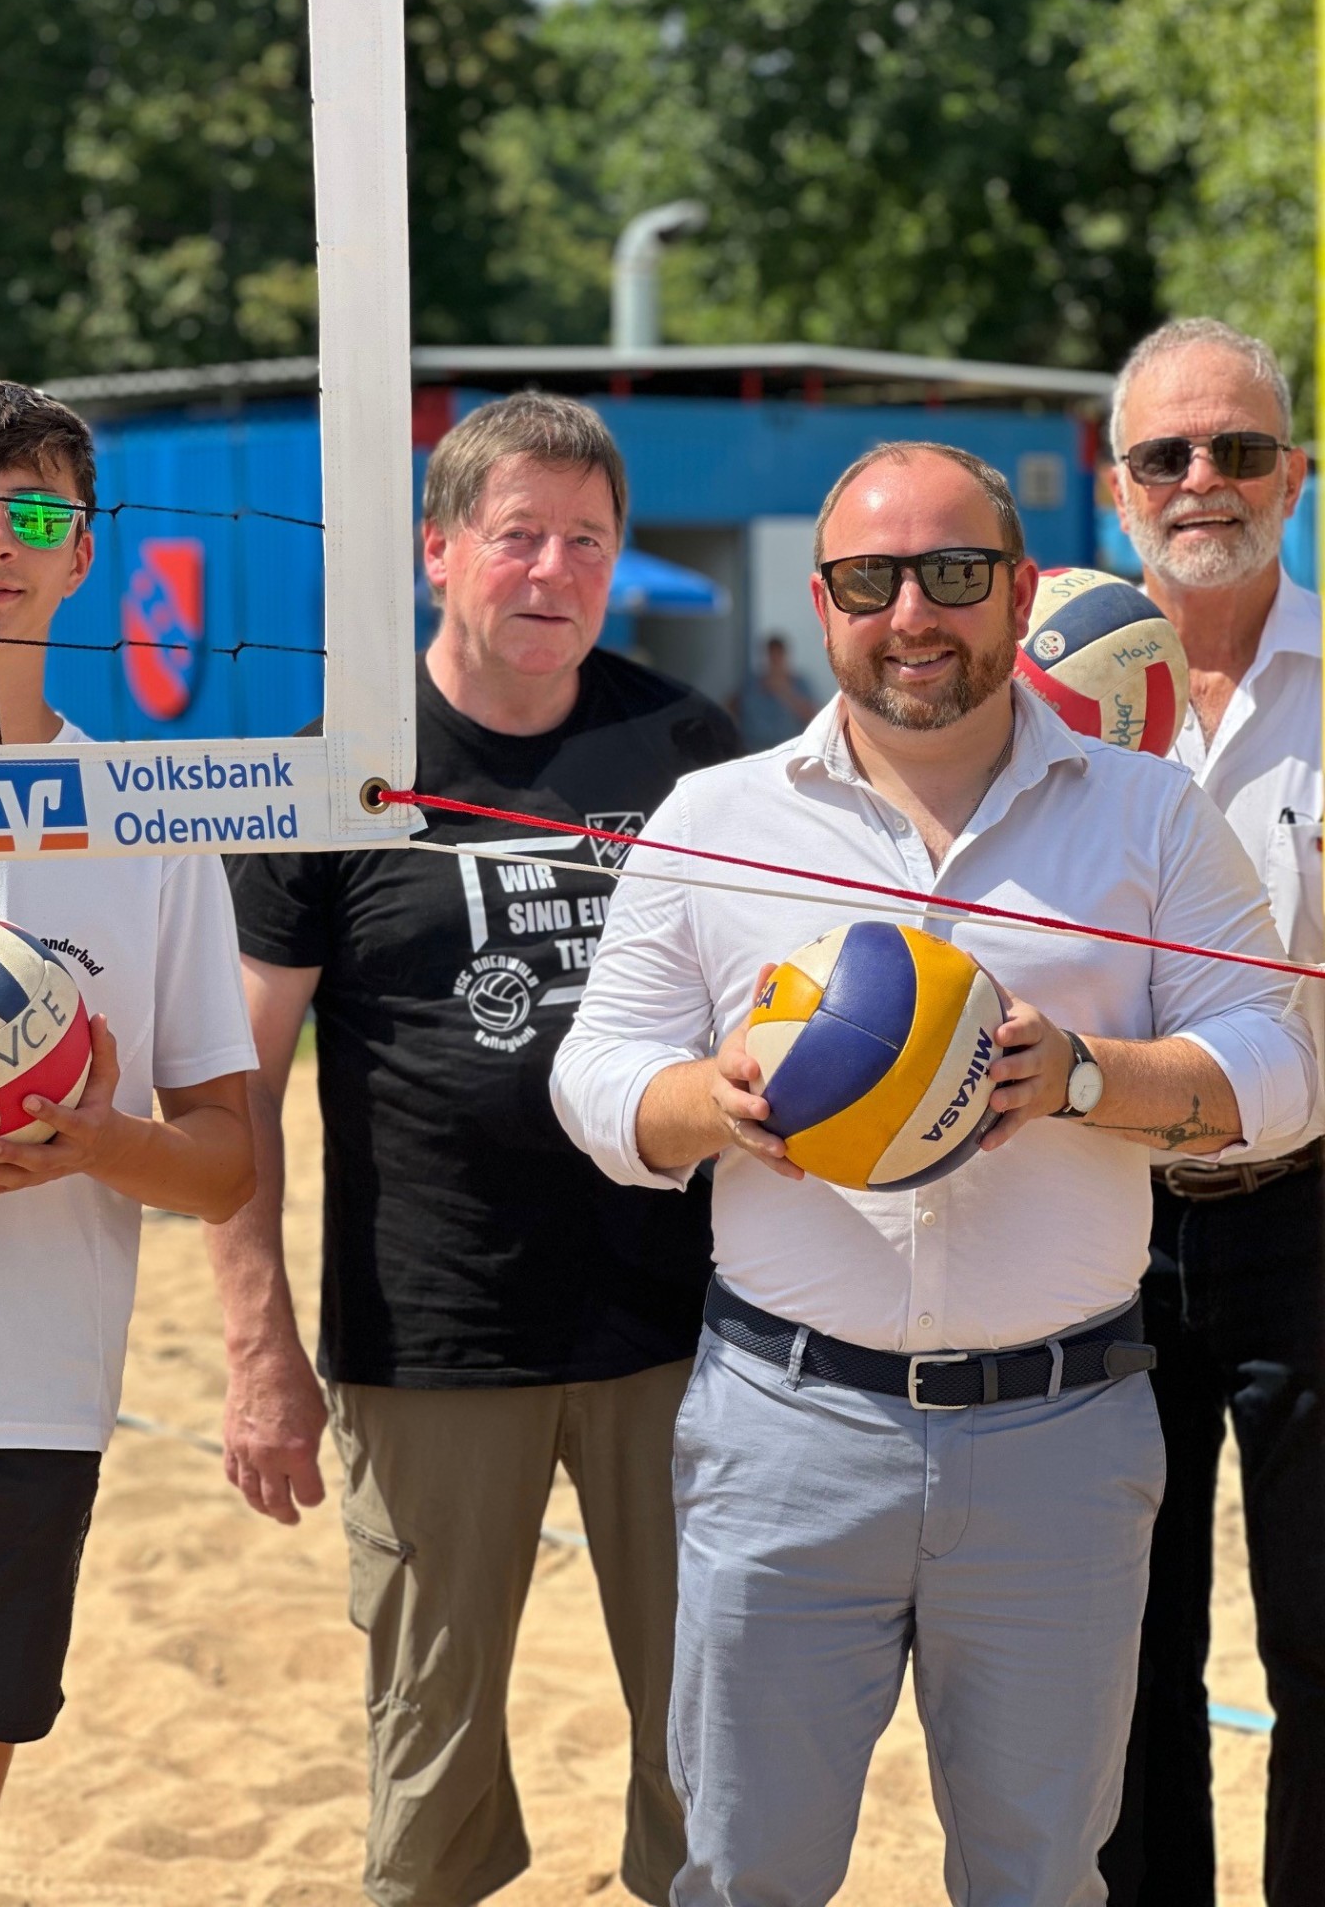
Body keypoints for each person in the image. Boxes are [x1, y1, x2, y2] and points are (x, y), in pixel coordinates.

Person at [551, 439, 1317, 1907]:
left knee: (1038, 1877)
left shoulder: (1148, 813)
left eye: (956, 575)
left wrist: (1085, 1076)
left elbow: (1280, 1073)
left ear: (1020, 594)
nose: (914, 614)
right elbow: (592, 1079)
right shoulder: (716, 818)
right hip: (784, 1429)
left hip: (1061, 1435)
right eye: (870, 580)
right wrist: (707, 1103)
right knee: (748, 1874)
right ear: (828, 603)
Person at [206, 392, 739, 1907]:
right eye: (517, 538)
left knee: (710, 1760)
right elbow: (243, 1082)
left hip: (677, 1332)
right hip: (435, 1335)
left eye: (587, 542)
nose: (552, 572)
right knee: (429, 1782)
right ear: (439, 550)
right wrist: (261, 1353)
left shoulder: (682, 742)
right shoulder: (338, 765)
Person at [0, 376, 256, 1904]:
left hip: (12, 1405)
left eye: (37, 514)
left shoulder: (148, 814)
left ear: (85, 554)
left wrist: (99, 1139)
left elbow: (226, 1156)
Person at [1096, 320, 1323, 1907]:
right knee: (1123, 1659)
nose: (1203, 481)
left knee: (1323, 1645)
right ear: (1115, 492)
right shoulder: (1033, 700)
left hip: (1310, 1211)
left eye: (1238, 449)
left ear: (1295, 476)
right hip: (1093, 1224)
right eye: (1166, 455)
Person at [732, 633, 817, 750]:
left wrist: (784, 691)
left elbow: (813, 716)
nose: (775, 661)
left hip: (788, 750)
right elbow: (733, 707)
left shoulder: (799, 684)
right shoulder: (751, 683)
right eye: (772, 656)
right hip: (755, 749)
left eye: (778, 656)